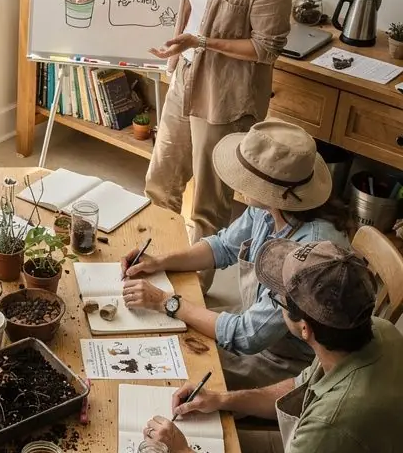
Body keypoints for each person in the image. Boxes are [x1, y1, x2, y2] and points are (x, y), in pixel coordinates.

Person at [69, 0, 297, 246]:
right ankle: (155, 263)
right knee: (160, 183)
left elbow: (267, 48)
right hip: (186, 77)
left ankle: (196, 290)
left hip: (225, 98)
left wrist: (203, 42)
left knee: (209, 206)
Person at [147, 241, 403, 453]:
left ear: (304, 329)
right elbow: (299, 384)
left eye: (278, 299)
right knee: (221, 446)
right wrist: (223, 399)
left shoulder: (337, 420)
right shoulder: (375, 332)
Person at [121, 120, 349, 387]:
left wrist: (167, 301)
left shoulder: (307, 256)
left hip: (286, 362)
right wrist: (161, 261)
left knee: (165, 364)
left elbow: (246, 336)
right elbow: (223, 246)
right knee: (159, 333)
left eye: (248, 177)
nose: (239, 181)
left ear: (274, 192)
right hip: (257, 324)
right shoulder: (271, 209)